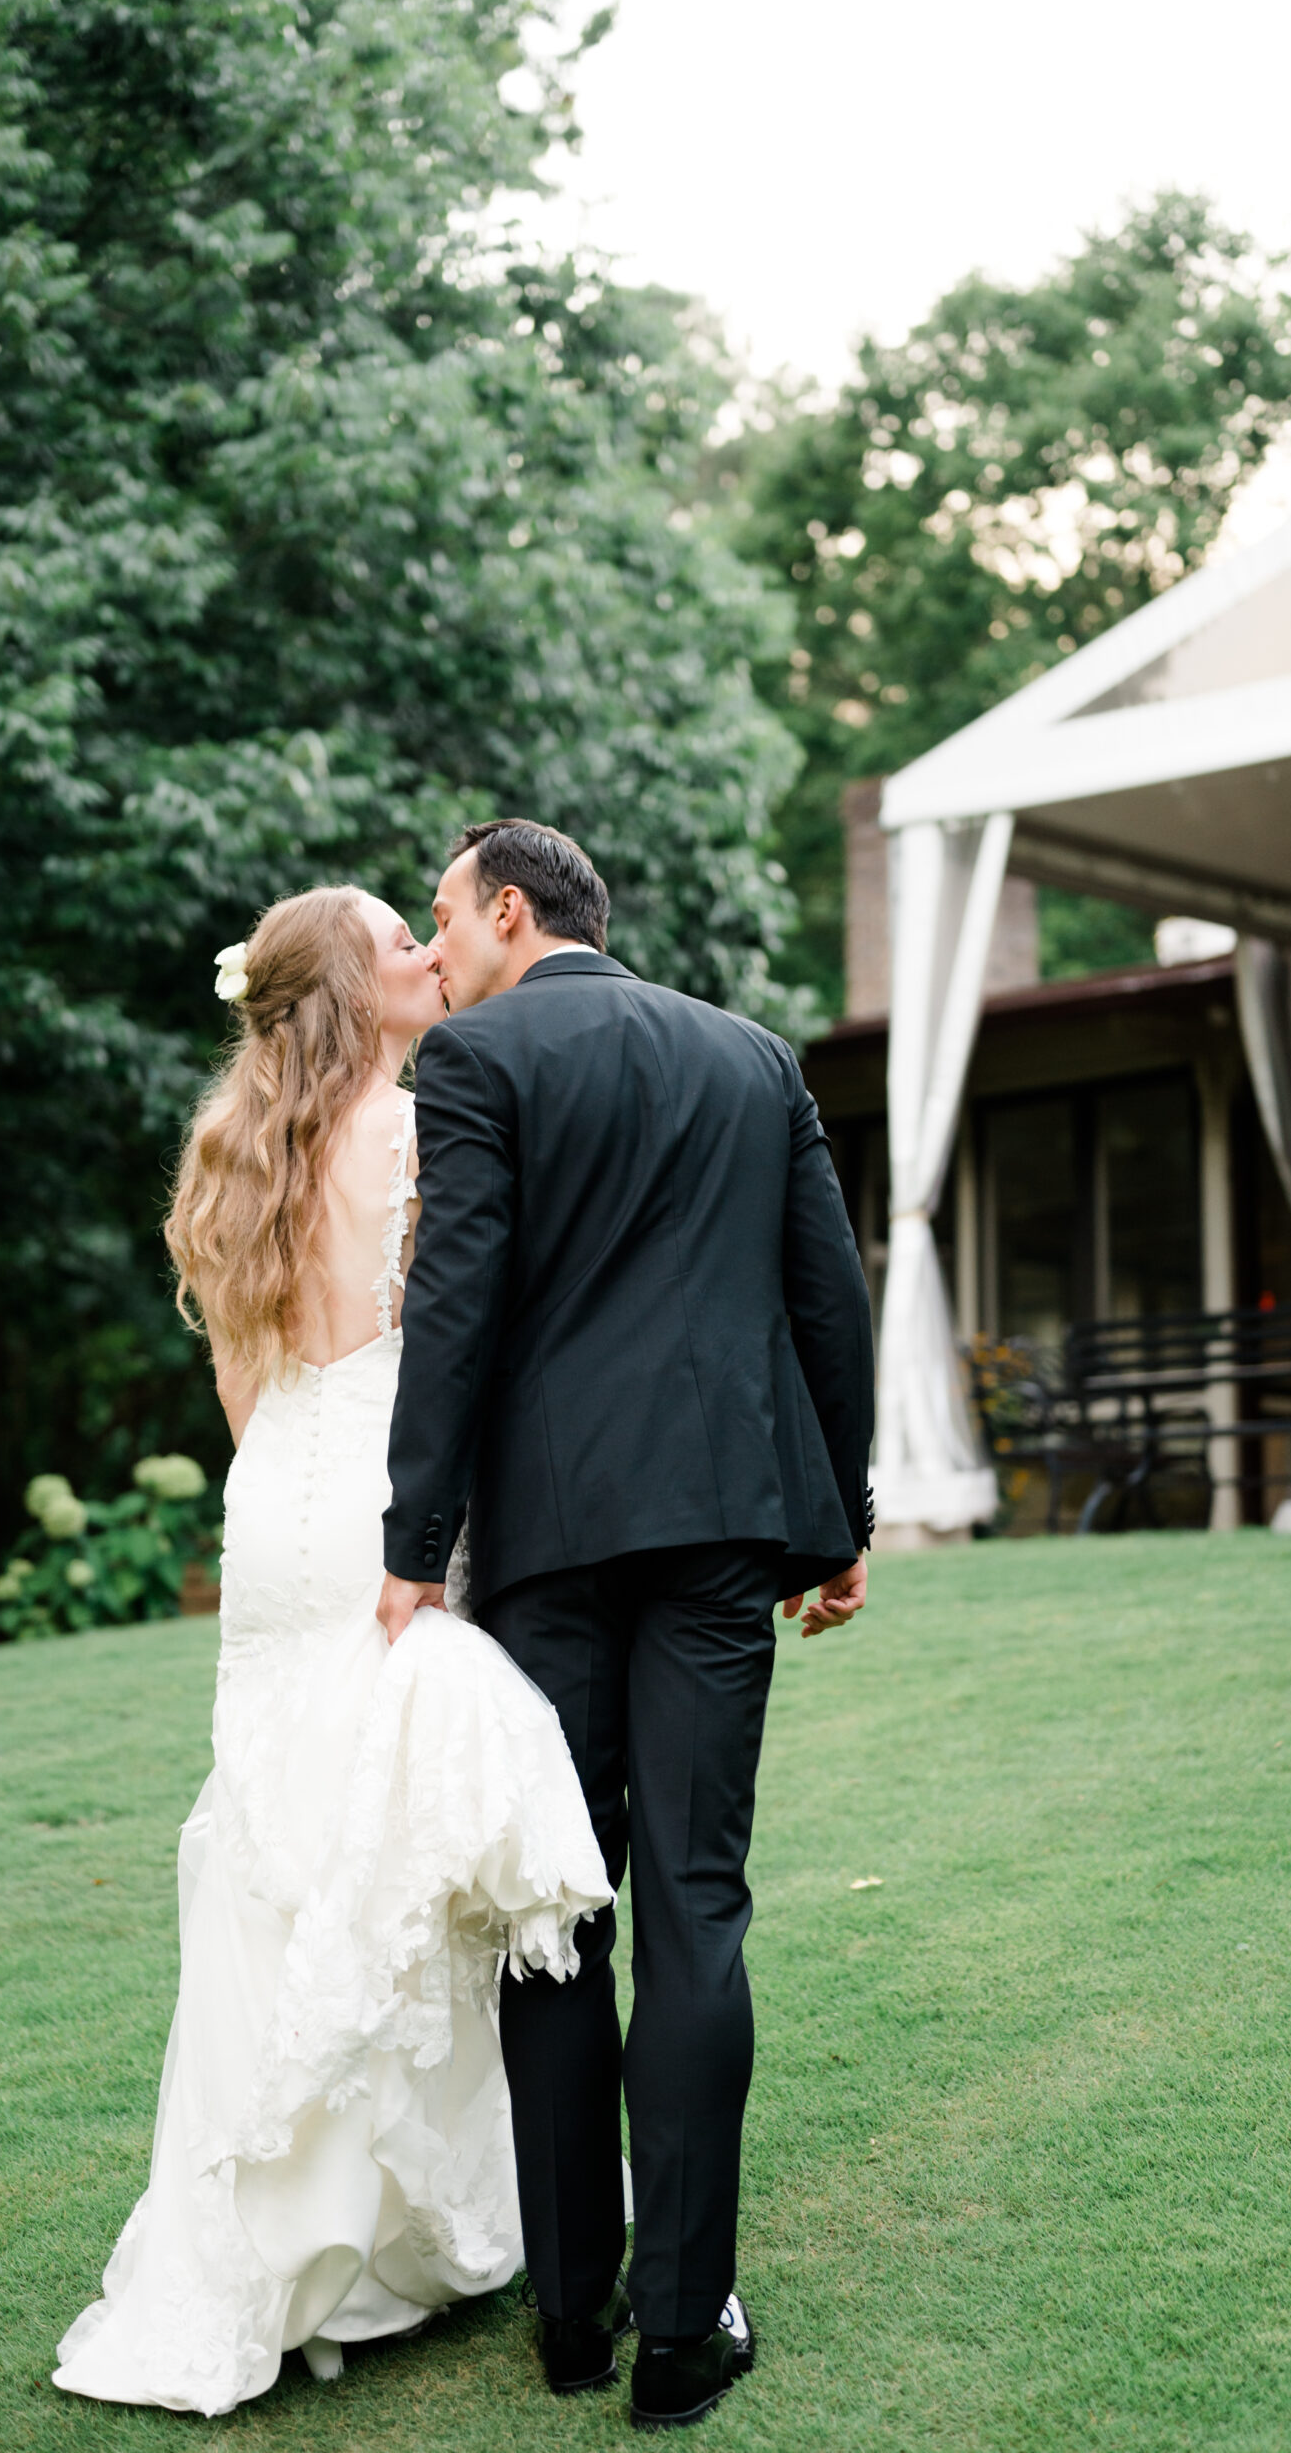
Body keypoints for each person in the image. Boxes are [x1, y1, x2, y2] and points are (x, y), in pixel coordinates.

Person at [52, 885, 610, 2418]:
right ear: (360, 992)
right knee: (402, 1843)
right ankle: (384, 2243)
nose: (432, 954)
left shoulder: (238, 1146)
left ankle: (284, 2246)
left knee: (279, 1841)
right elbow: (471, 1348)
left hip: (277, 1506)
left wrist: (294, 1483)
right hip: (387, 1497)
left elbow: (247, 1385)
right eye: (400, 940)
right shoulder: (429, 1130)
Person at [379, 819, 874, 2433]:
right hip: (727, 1528)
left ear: (510, 911)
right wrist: (842, 1517)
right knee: (697, 1906)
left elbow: (454, 1309)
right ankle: (682, 2335)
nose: (433, 956)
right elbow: (829, 1295)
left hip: (552, 1549)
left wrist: (413, 1546)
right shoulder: (751, 1059)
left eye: (442, 920)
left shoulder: (475, 1065)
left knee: (556, 1910)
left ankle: (574, 2316)